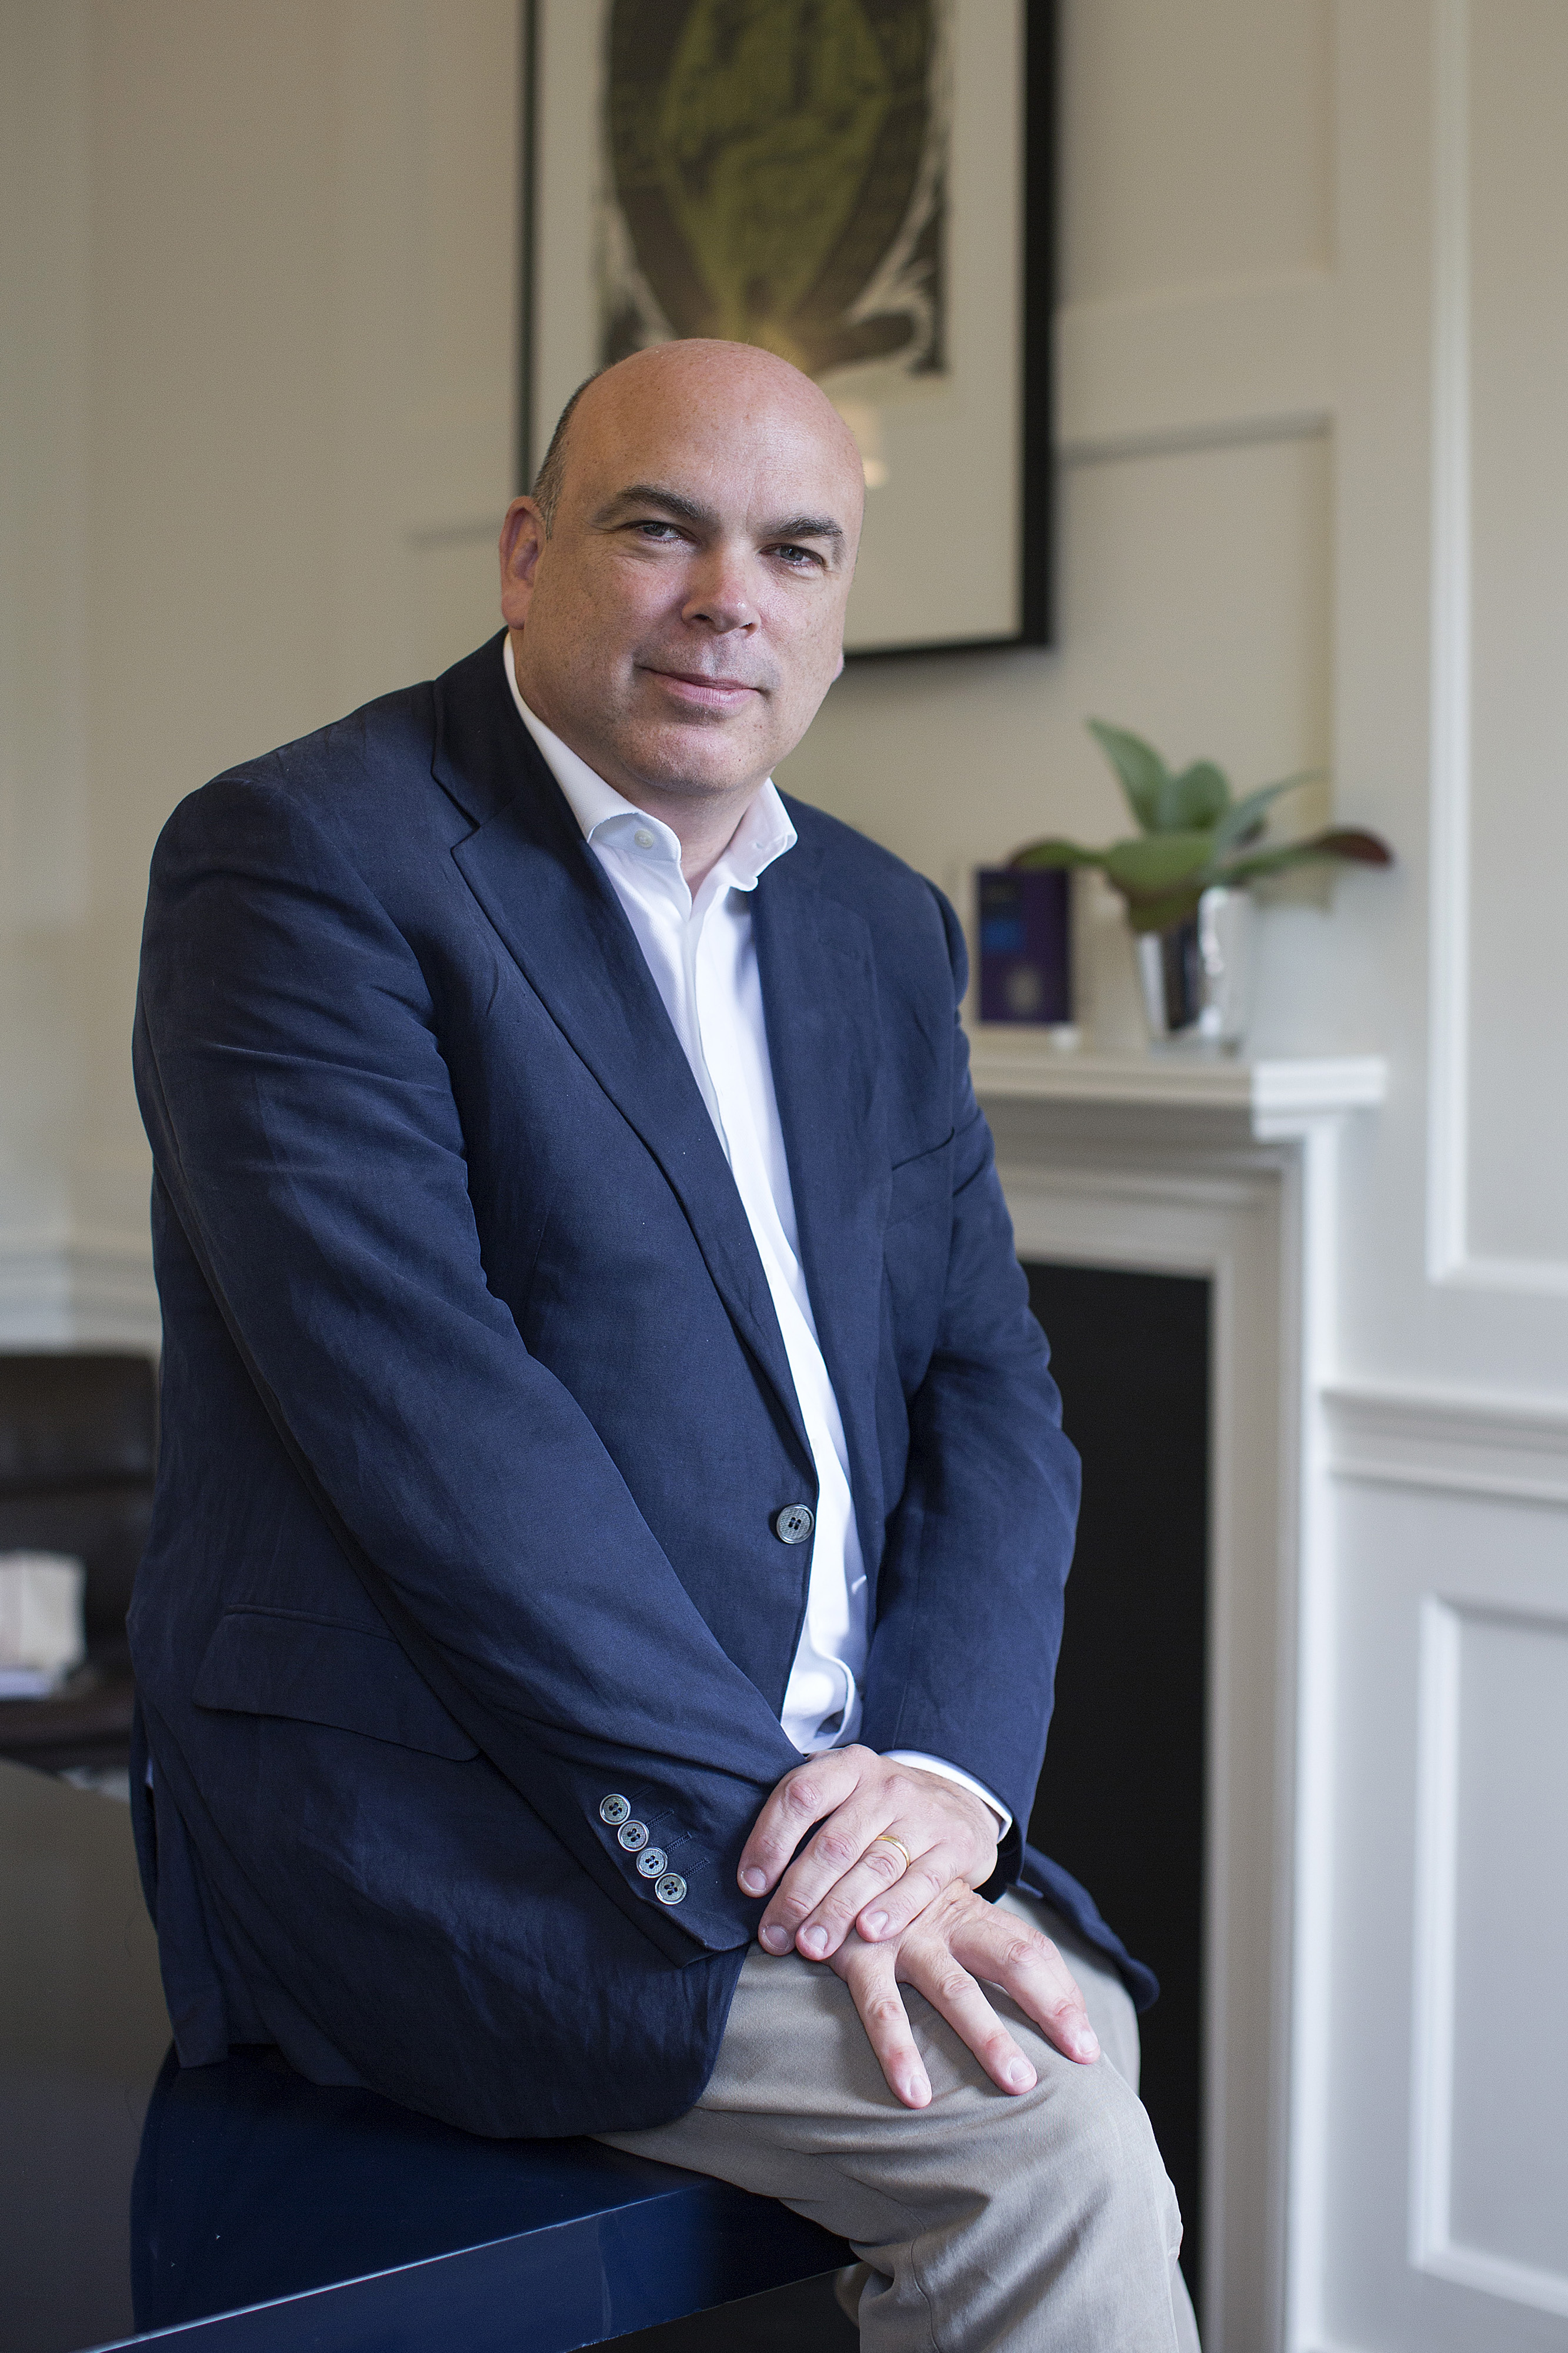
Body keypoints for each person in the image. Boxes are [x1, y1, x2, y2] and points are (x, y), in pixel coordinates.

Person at [129, 338, 1199, 2349]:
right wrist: (811, 1849)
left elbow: (993, 1390)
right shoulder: (302, 863)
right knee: (1035, 2121)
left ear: (837, 614)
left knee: (1069, 2040)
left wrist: (952, 1786)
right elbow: (430, 1433)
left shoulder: (878, 923)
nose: (732, 597)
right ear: (529, 556)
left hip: (825, 1792)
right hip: (448, 1826)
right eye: (659, 528)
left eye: (796, 552)